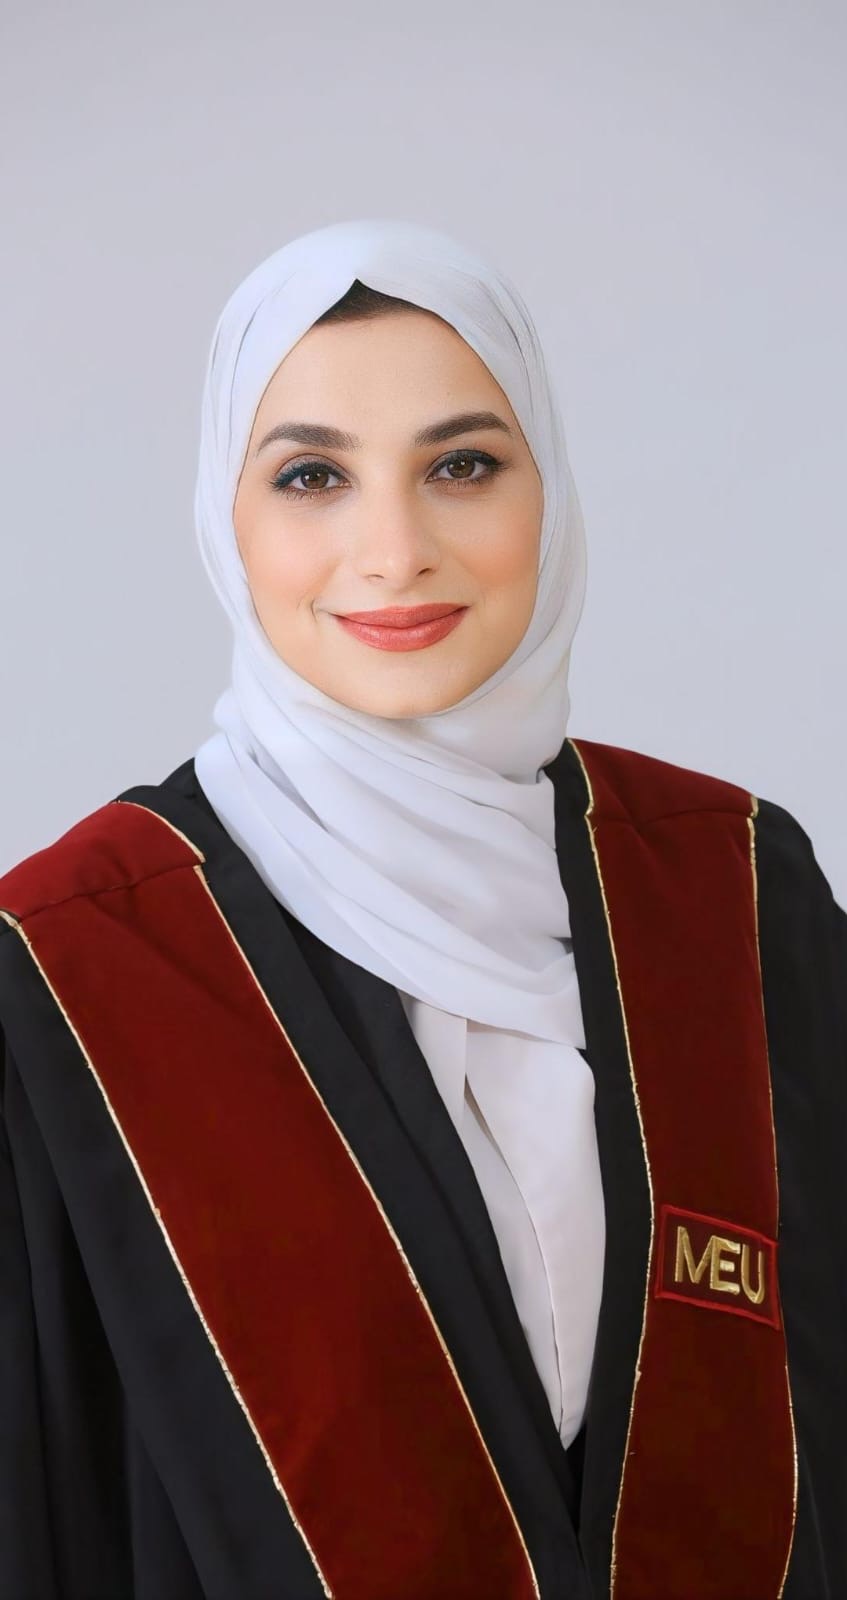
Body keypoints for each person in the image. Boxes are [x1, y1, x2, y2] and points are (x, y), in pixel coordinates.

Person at [0, 219, 844, 1600]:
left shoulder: (735, 891)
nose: (393, 552)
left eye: (462, 465)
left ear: (547, 487)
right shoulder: (66, 970)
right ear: (226, 516)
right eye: (313, 477)